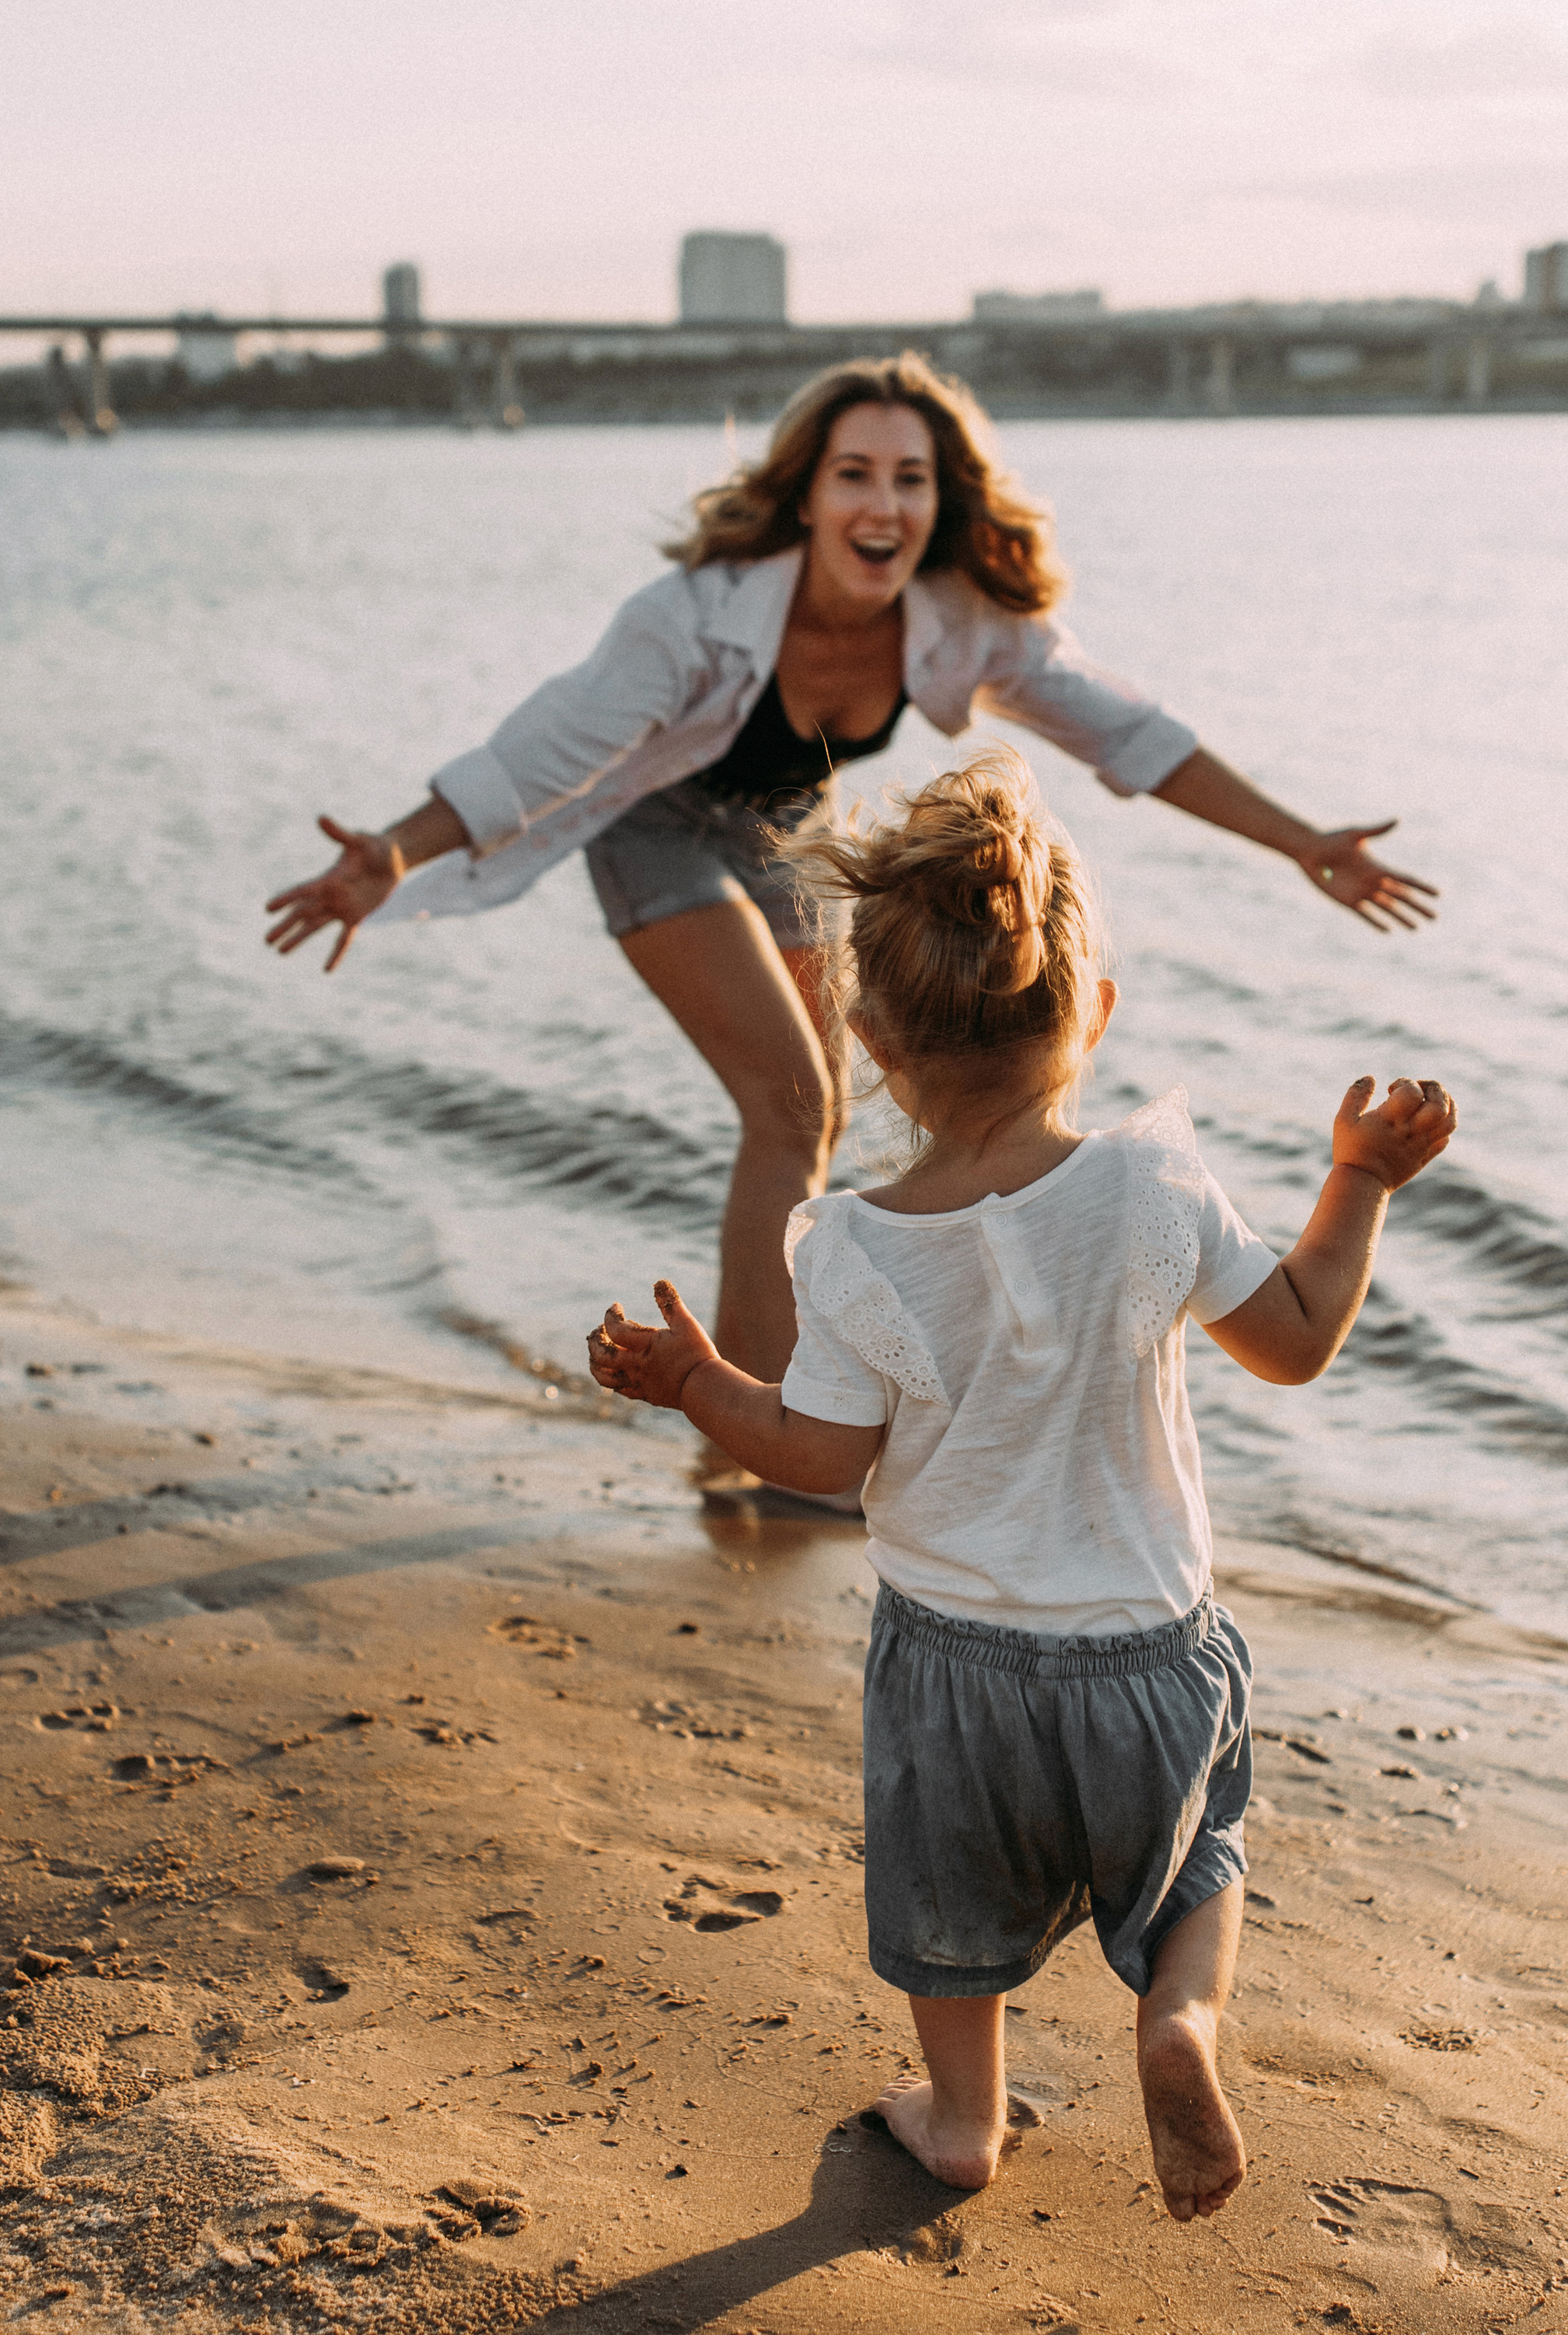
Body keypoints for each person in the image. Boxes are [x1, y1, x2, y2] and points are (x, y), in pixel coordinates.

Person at [264, 353, 1435, 1465]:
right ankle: (754, 1441)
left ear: (940, 502)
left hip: (784, 825)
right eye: (856, 474)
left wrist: (1299, 843)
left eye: (911, 479)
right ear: (810, 497)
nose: (884, 502)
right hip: (654, 826)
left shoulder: (959, 617)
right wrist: (399, 854)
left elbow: (1128, 733)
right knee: (791, 1100)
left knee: (822, 1119)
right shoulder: (694, 616)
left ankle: (771, 1409)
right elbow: (546, 749)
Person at [586, 750, 1456, 2218]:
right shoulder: (1152, 1184)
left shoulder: (850, 1245)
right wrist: (1358, 1181)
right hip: (1148, 1653)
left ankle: (964, 2123)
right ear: (1091, 1014)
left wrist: (698, 1384)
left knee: (953, 1921)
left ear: (864, 1037)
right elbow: (1298, 1342)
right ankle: (1179, 2022)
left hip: (958, 1673)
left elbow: (817, 1460)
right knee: (1194, 1866)